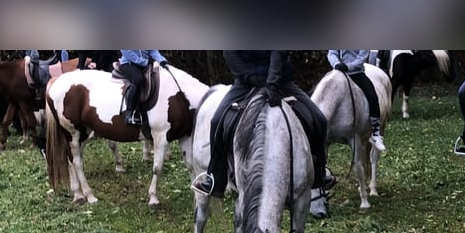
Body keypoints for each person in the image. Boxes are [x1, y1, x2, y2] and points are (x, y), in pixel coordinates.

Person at [191, 50, 335, 198]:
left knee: (320, 120)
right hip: (245, 84)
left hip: (280, 82)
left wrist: (272, 83)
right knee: (216, 122)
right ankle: (216, 178)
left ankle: (319, 173)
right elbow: (230, 54)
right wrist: (251, 78)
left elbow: (277, 52)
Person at [327, 50, 386, 152]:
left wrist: (348, 66)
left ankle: (375, 133)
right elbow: (332, 53)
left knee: (372, 96)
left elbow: (362, 58)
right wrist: (336, 64)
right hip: (338, 72)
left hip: (357, 73)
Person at [115, 50, 169, 124]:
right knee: (138, 80)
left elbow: (153, 51)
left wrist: (162, 60)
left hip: (144, 63)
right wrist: (143, 62)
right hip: (129, 63)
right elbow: (126, 51)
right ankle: (129, 115)